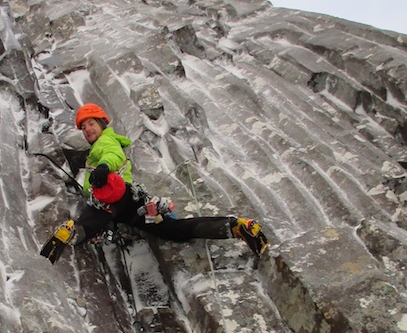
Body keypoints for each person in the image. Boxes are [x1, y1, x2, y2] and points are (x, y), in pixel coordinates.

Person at [40, 103, 269, 263]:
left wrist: (103, 167)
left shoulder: (106, 141)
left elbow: (113, 156)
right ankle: (236, 227)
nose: (87, 130)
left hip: (115, 197)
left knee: (93, 218)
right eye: (83, 127)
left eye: (90, 124)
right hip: (131, 203)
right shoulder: (100, 145)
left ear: (101, 124)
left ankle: (72, 233)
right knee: (173, 230)